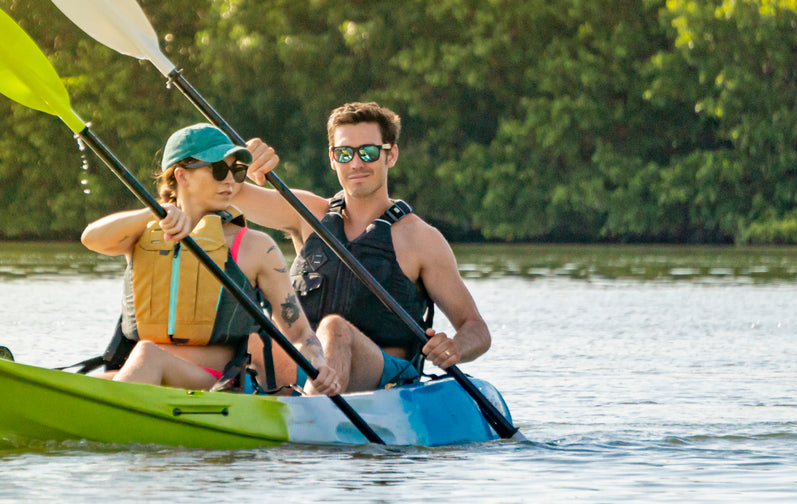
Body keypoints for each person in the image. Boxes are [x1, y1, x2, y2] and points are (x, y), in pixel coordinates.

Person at [231, 101, 490, 393]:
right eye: (345, 153)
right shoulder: (306, 212)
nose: (356, 163)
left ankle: (315, 413)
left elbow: (476, 328)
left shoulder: (421, 239)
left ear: (391, 155)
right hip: (304, 365)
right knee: (243, 328)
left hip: (382, 378)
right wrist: (241, 162)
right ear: (333, 159)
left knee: (335, 329)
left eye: (368, 152)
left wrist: (455, 347)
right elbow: (226, 192)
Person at [81, 123, 341, 396]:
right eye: (218, 170)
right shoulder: (142, 235)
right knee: (103, 378)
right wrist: (153, 213)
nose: (230, 181)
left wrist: (319, 366)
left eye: (236, 171)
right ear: (182, 175)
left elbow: (299, 333)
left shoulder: (255, 247)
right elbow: (91, 238)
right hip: (153, 370)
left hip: (224, 382)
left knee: (146, 355)